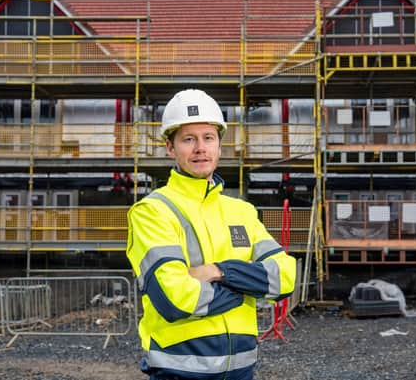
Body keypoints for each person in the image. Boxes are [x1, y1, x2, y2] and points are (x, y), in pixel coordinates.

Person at [127, 89, 297, 380]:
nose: (200, 148)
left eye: (208, 138)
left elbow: (284, 278)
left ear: (219, 146)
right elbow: (176, 300)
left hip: (241, 372)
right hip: (179, 373)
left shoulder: (242, 211)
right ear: (170, 148)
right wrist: (245, 291)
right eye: (188, 139)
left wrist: (220, 272)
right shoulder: (153, 211)